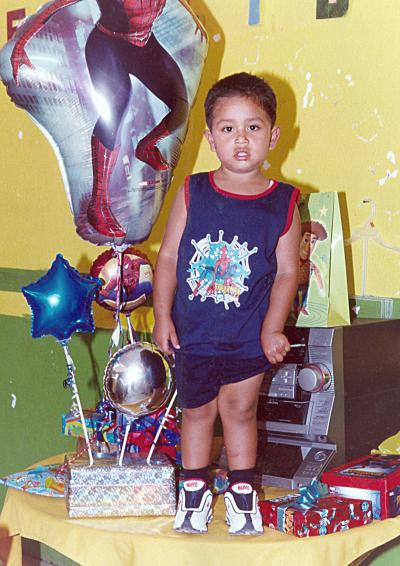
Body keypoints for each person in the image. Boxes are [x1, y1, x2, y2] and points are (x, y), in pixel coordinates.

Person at [153, 72, 301, 535]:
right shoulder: (192, 191)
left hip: (246, 338)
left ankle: (241, 496)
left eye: (253, 128)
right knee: (196, 412)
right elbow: (171, 255)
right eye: (228, 128)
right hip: (193, 332)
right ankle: (193, 493)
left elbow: (288, 273)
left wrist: (272, 329)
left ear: (273, 136)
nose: (241, 139)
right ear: (210, 137)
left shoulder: (285, 201)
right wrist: (161, 316)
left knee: (240, 412)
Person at [11, 0, 204, 238]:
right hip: (108, 47)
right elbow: (55, 6)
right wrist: (19, 48)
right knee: (113, 115)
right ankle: (98, 203)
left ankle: (146, 147)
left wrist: (195, 30)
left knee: (180, 109)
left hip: (145, 45)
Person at [296, 220, 327, 316]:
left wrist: (321, 288)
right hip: (292, 286)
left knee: (304, 297)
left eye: (313, 241)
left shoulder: (311, 265)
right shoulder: (292, 261)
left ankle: (302, 307)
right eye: (306, 240)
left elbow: (317, 273)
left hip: (305, 286)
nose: (308, 246)